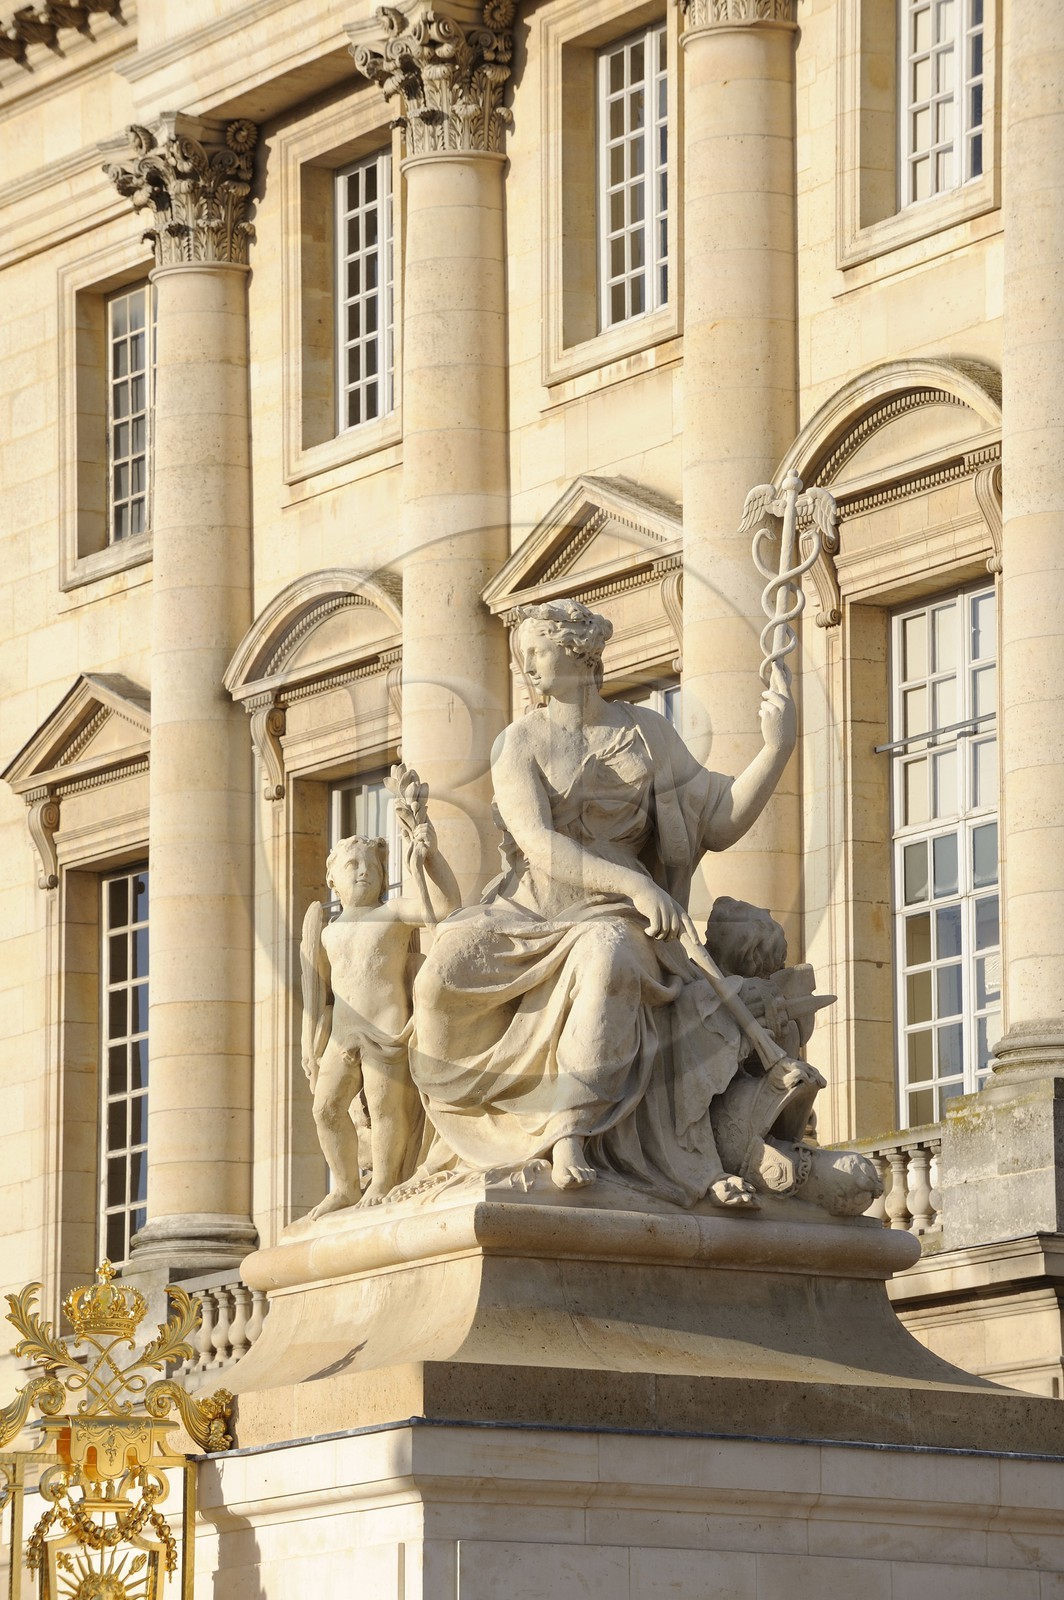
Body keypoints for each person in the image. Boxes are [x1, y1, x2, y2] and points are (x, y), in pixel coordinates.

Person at [408, 597, 797, 1210]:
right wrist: (637, 884)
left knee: (607, 955)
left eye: (537, 653)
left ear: (579, 652)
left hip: (615, 916)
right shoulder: (520, 742)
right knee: (443, 970)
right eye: (523, 656)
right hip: (529, 908)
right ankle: (455, 1131)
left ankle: (569, 1130)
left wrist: (775, 750)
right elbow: (539, 843)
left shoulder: (648, 734)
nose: (527, 668)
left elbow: (720, 819)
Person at [300, 814, 459, 1216]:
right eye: (352, 865)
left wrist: (429, 858)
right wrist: (310, 1044)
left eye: (372, 866)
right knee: (325, 1109)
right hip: (342, 1034)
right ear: (332, 877)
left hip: (387, 1029)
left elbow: (444, 909)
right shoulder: (327, 932)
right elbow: (318, 994)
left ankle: (384, 1180)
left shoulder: (393, 914)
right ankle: (345, 1186)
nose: (364, 872)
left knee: (385, 1106)